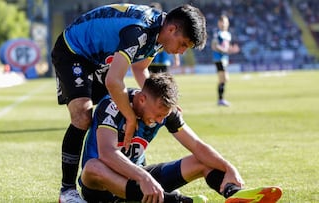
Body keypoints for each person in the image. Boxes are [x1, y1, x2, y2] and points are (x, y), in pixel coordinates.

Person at [51, 3, 207, 202]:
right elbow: (113, 81)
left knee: (119, 107)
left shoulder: (158, 35)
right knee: (82, 116)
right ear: (172, 29)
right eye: (183, 44)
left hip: (99, 59)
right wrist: (130, 118)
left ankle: (122, 175)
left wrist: (158, 100)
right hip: (74, 50)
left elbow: (140, 69)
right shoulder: (140, 31)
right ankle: (67, 191)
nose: (182, 51)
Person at [79, 72, 282, 203]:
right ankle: (177, 202)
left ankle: (233, 193)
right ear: (142, 99)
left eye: (164, 116)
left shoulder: (166, 112)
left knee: (203, 160)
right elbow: (106, 153)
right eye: (158, 114)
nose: (159, 121)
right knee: (93, 167)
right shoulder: (113, 105)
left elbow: (196, 145)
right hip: (101, 189)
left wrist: (229, 168)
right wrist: (144, 177)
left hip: (141, 184)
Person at [211, 15, 240, 107]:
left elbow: (227, 47)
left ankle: (221, 99)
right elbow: (214, 46)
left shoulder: (228, 34)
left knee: (223, 79)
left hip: (225, 59)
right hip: (218, 58)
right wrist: (225, 50)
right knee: (223, 78)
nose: (224, 24)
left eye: (226, 22)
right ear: (219, 23)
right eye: (222, 22)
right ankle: (220, 100)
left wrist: (231, 49)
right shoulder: (217, 33)